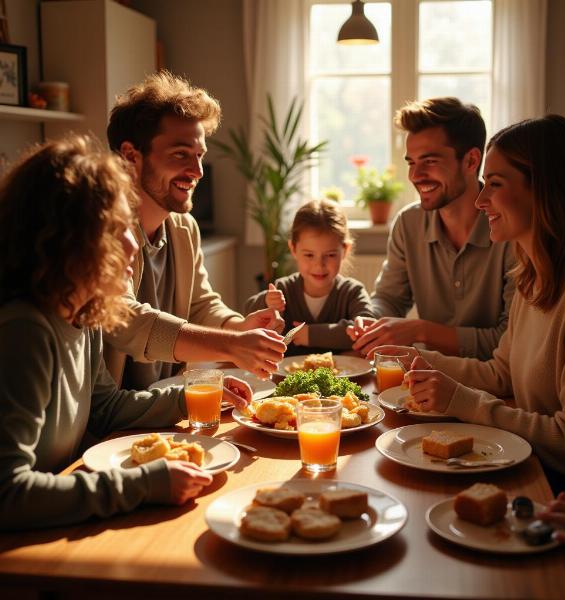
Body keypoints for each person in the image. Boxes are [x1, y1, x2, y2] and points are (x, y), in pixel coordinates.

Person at [0, 136, 250, 530]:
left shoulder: (82, 314)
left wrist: (190, 399)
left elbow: (105, 408)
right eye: (116, 228)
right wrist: (142, 484)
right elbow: (6, 494)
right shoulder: (24, 331)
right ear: (67, 239)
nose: (133, 244)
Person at [395, 114, 565, 508]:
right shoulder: (532, 277)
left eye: (496, 184)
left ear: (544, 190)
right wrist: (418, 359)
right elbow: (501, 375)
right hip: (531, 473)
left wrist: (463, 401)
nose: (480, 199)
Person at [103, 71, 286, 390]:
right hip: (114, 423)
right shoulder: (105, 231)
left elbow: (201, 304)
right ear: (131, 156)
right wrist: (230, 345)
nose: (197, 171)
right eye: (180, 154)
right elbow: (126, 321)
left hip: (167, 402)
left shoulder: (183, 227)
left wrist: (239, 328)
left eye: (199, 155)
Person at [349, 97, 515, 360]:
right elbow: (390, 298)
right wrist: (371, 321)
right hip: (429, 379)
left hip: (498, 384)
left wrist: (420, 331)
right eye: (412, 162)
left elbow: (509, 339)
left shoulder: (511, 229)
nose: (415, 176)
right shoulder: (408, 223)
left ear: (471, 161)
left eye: (430, 161)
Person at [244, 199, 375, 355]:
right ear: (293, 249)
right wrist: (266, 302)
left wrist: (309, 335)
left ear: (345, 250)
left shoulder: (353, 292)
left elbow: (367, 331)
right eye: (309, 255)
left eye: (331, 255)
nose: (319, 265)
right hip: (287, 379)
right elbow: (247, 317)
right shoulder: (283, 289)